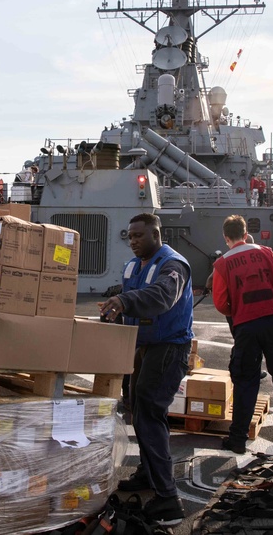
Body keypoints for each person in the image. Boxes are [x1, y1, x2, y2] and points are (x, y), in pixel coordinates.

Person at [99, 213, 193, 527]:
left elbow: (163, 296)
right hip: (144, 347)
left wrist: (125, 301)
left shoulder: (172, 265)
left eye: (139, 235)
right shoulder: (135, 266)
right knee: (137, 408)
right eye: (130, 236)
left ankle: (168, 499)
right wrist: (114, 305)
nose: (133, 241)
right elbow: (131, 295)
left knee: (149, 411)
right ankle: (148, 474)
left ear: (156, 234)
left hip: (169, 348)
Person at [212, 215, 273, 453]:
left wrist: (237, 312)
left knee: (246, 380)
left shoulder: (222, 263)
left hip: (246, 326)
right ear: (245, 233)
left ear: (226, 237)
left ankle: (238, 439)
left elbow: (221, 302)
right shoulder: (266, 252)